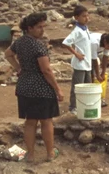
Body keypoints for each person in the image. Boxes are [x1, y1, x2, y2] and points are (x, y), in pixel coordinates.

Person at [4, 12, 64, 162]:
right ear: (29, 28)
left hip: (24, 87)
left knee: (30, 122)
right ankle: (50, 153)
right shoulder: (39, 46)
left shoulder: (20, 42)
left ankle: (30, 155)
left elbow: (8, 54)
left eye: (43, 26)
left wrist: (18, 68)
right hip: (41, 89)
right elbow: (46, 70)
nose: (42, 30)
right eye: (39, 27)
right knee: (46, 121)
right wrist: (57, 89)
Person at [62, 5, 92, 113]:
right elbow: (66, 43)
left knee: (88, 85)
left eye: (87, 16)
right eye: (84, 16)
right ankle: (73, 106)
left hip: (87, 63)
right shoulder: (77, 31)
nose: (87, 18)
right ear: (76, 17)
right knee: (77, 86)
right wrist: (76, 54)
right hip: (80, 63)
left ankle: (84, 104)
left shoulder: (85, 29)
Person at [90, 31, 109, 108]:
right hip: (83, 53)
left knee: (96, 72)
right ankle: (91, 99)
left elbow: (105, 57)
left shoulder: (107, 42)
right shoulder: (94, 42)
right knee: (90, 75)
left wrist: (103, 72)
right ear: (105, 42)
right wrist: (97, 75)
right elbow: (94, 60)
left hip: (94, 53)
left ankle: (98, 98)